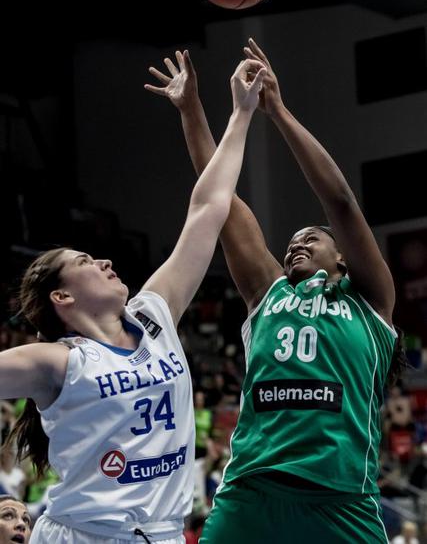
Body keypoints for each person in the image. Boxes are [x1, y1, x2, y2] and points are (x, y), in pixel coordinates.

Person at [0, 51, 267, 544]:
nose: (104, 261)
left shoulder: (153, 315)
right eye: (85, 261)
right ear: (62, 296)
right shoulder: (57, 362)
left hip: (162, 534)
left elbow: (209, 207)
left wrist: (240, 113)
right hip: (83, 535)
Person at [146, 39, 404, 543]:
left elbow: (340, 201)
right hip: (252, 492)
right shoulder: (268, 293)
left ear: (343, 258)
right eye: (290, 243)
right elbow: (220, 201)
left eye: (311, 239)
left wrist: (278, 112)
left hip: (341, 500)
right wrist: (191, 111)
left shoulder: (371, 302)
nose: (296, 244)